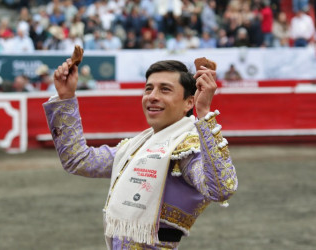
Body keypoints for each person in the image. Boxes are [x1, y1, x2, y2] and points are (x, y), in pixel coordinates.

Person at [43, 57, 237, 249]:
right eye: (148, 88)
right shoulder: (137, 147)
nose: (152, 96)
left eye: (165, 89)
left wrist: (203, 113)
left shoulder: (186, 150)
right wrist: (66, 96)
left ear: (189, 103)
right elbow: (79, 160)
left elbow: (221, 189)